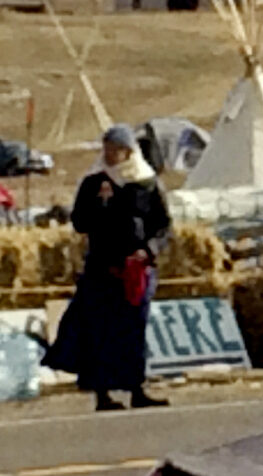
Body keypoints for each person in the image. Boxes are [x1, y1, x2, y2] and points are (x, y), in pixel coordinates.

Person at [43, 125, 170, 411]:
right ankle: (102, 394)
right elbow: (79, 221)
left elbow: (162, 225)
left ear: (128, 151)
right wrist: (98, 205)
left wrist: (148, 249)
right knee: (98, 331)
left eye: (116, 149)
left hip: (136, 270)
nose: (111, 154)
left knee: (133, 329)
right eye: (107, 148)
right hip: (102, 269)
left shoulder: (146, 183)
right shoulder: (93, 182)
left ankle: (136, 388)